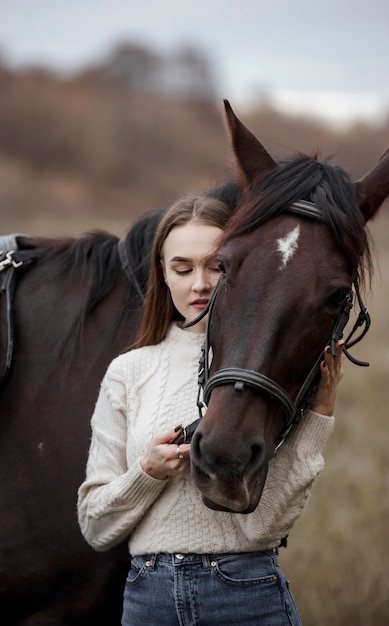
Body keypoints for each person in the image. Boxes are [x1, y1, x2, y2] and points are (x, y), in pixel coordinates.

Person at [77, 191, 344, 626]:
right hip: (148, 601)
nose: (199, 284)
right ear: (162, 275)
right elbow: (95, 525)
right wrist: (148, 471)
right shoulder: (129, 371)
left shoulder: (268, 369)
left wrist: (319, 415)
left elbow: (264, 529)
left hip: (245, 595)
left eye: (216, 266)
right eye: (182, 268)